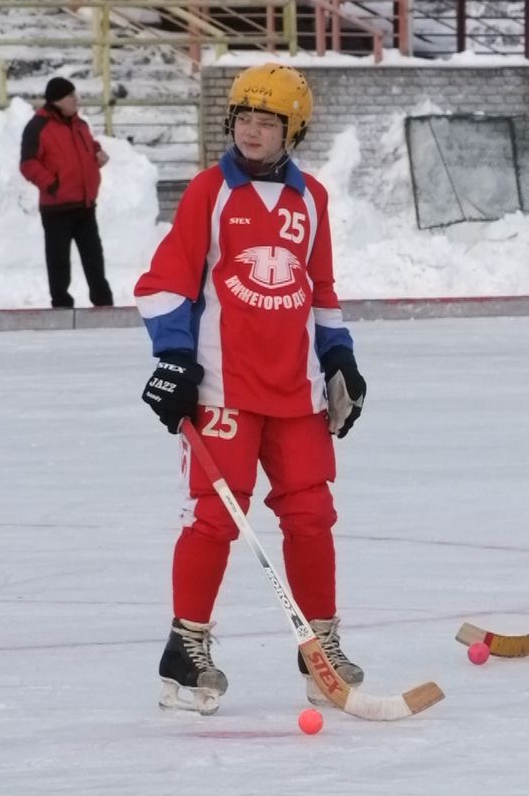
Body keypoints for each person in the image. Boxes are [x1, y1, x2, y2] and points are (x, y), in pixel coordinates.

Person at [134, 63, 368, 713]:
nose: (252, 131)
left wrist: (341, 358)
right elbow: (165, 282)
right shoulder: (209, 192)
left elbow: (319, 291)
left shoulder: (311, 200)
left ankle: (319, 647)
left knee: (312, 515)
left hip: (296, 394)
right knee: (214, 518)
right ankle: (185, 652)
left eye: (267, 121)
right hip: (222, 392)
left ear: (292, 130)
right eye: (244, 119)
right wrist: (175, 358)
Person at [19, 76, 113, 308]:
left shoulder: (80, 124)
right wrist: (53, 185)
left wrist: (97, 153)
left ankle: (104, 303)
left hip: (85, 205)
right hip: (56, 209)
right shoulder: (37, 127)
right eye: (71, 96)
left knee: (94, 259)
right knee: (59, 262)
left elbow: (89, 146)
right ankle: (61, 304)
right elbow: (28, 164)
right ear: (58, 100)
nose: (76, 101)